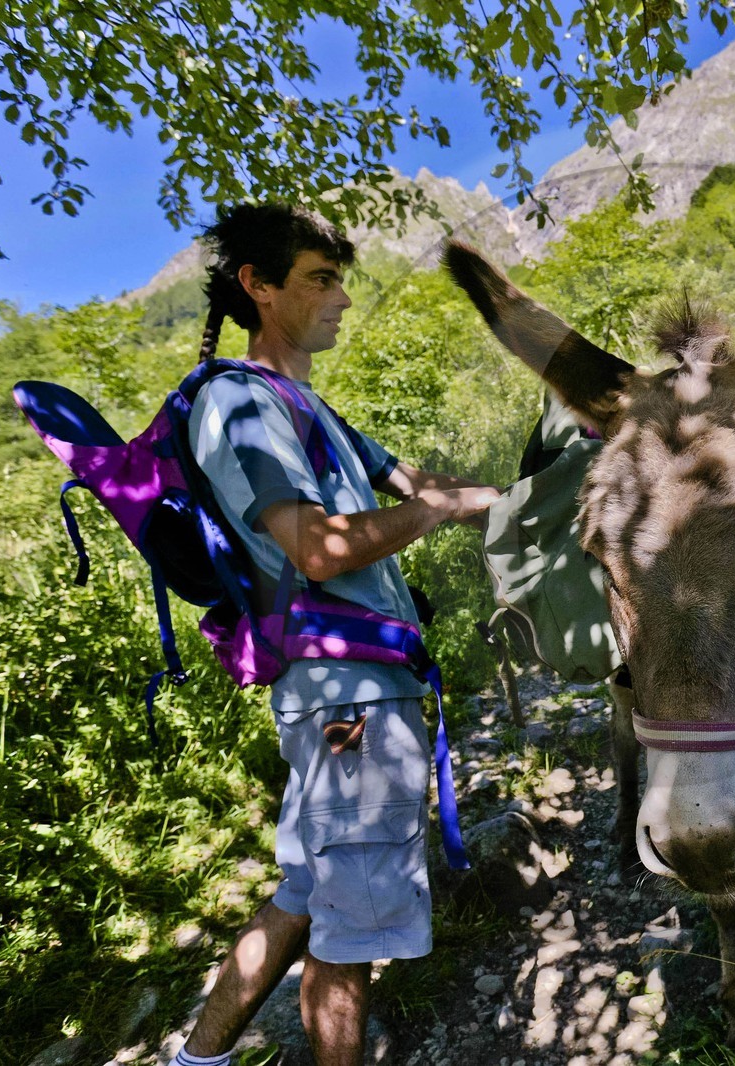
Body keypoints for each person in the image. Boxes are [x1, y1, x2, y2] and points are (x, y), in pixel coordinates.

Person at [171, 204, 499, 1066]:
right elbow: (317, 549)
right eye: (321, 279)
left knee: (307, 891)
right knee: (351, 931)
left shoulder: (305, 405)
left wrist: (539, 500)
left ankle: (194, 1059)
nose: (343, 298)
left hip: (350, 692)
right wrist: (432, 513)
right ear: (257, 286)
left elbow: (420, 483)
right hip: (348, 700)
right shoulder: (239, 403)